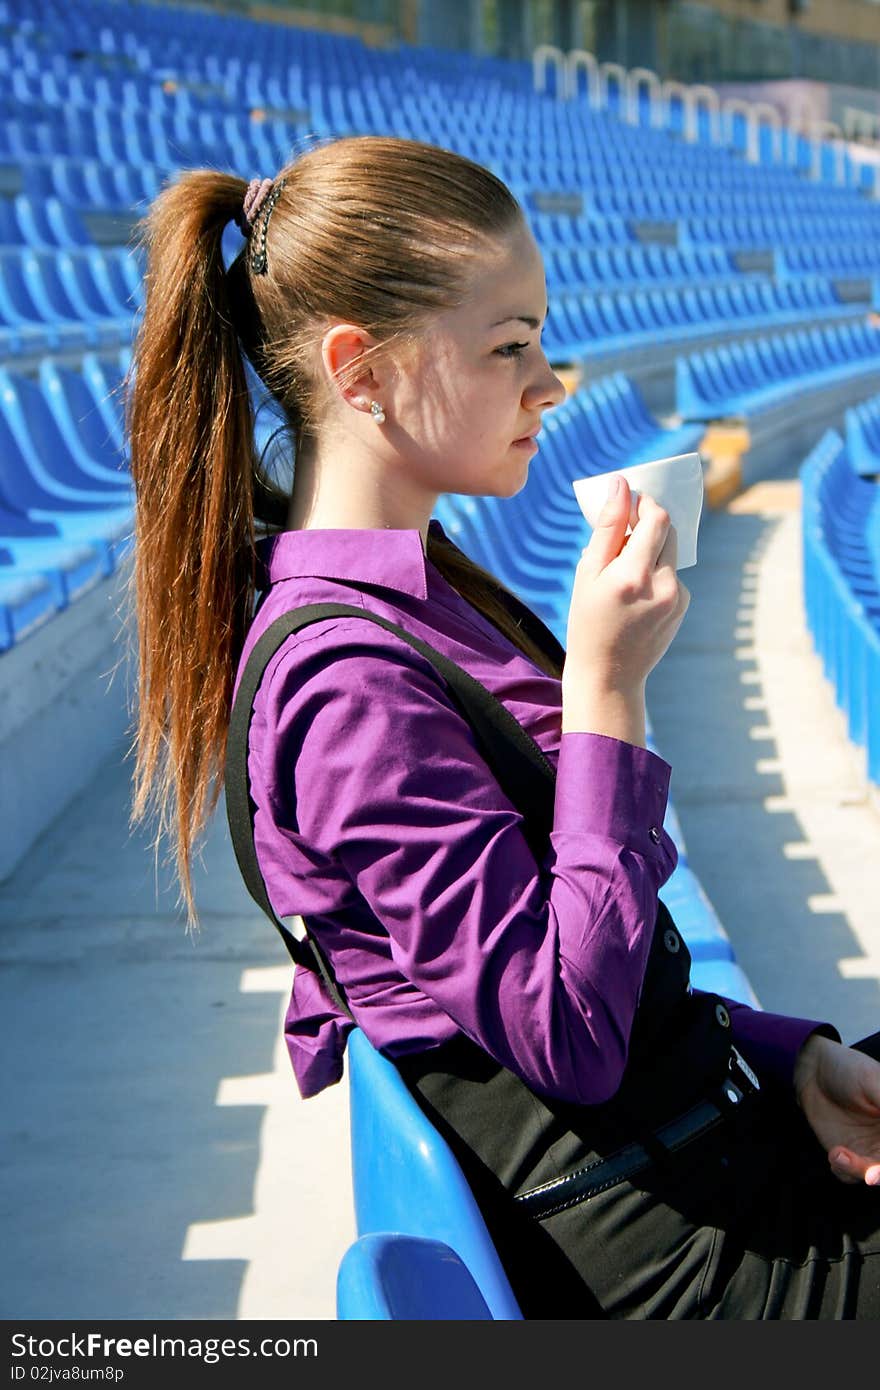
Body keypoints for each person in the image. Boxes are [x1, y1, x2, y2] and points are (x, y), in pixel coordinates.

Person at [125, 134, 880, 1319]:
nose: (550, 382)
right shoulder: (345, 688)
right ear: (359, 373)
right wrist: (608, 693)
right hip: (699, 1265)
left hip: (715, 1154)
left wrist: (790, 1060)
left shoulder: (417, 594)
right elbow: (567, 1029)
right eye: (509, 346)